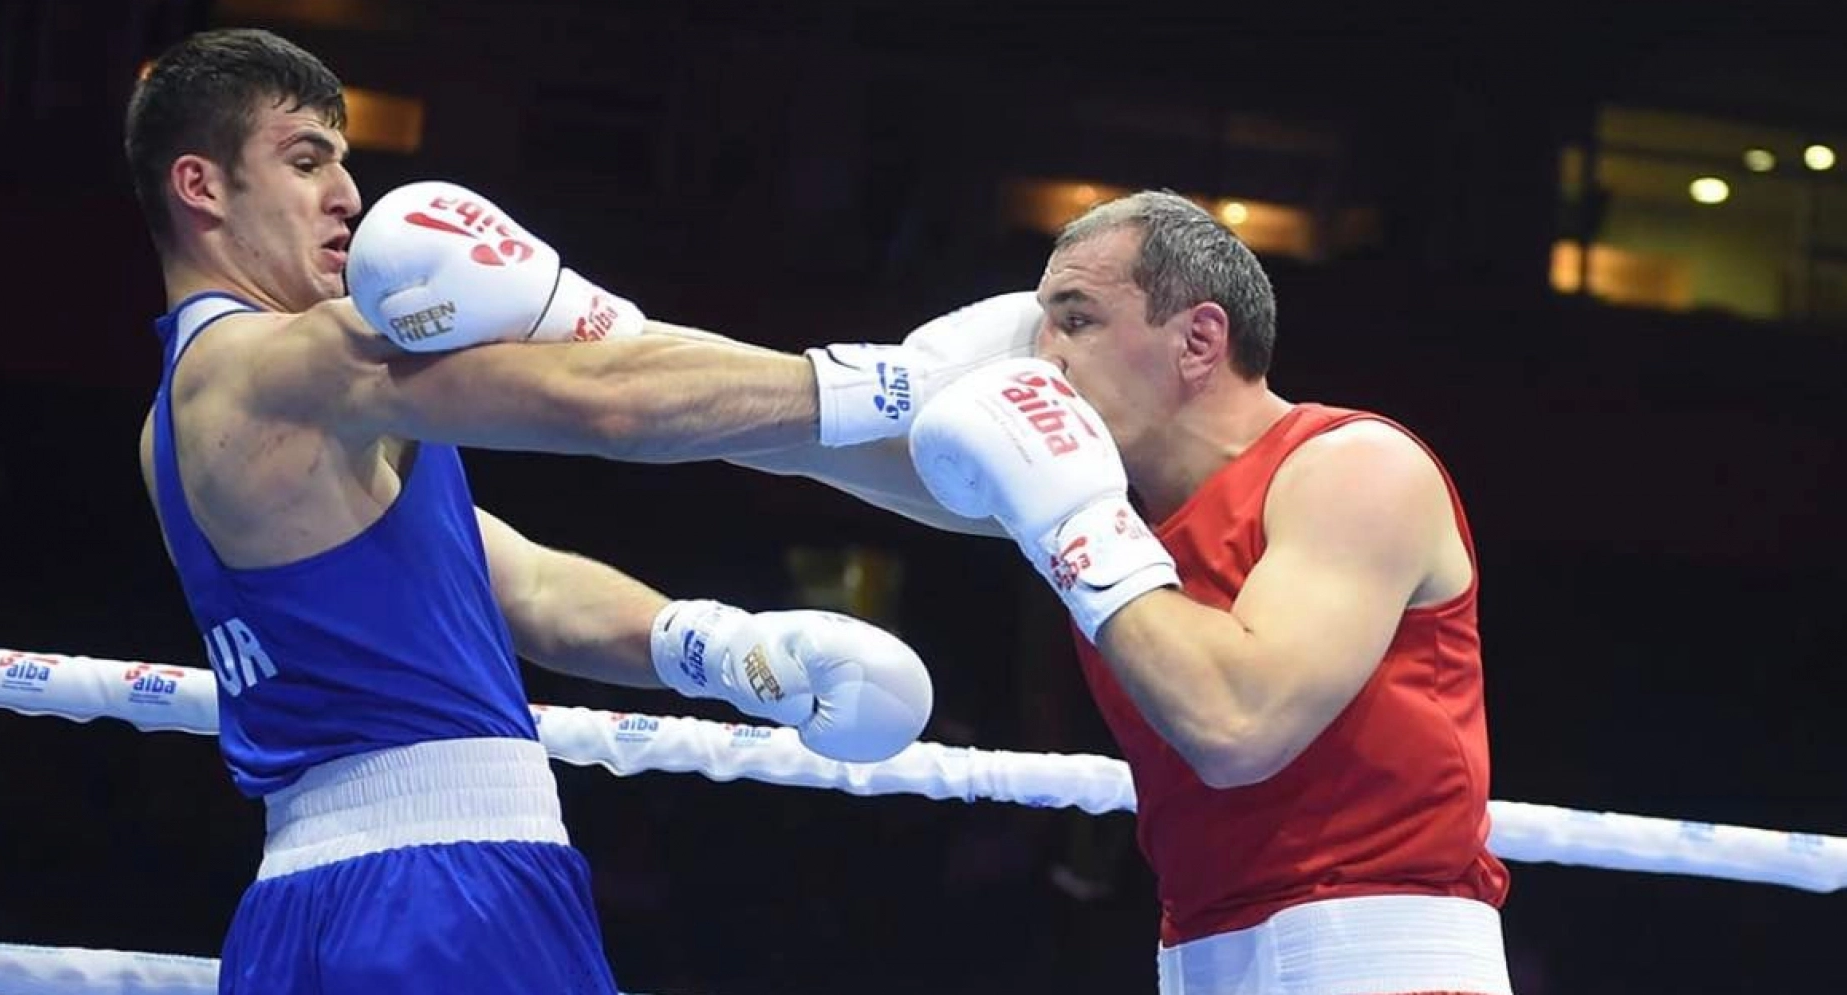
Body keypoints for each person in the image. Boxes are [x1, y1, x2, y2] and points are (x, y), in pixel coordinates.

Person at [124, 28, 946, 994]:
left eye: (342, 161)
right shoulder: (295, 360)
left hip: (301, 908)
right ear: (201, 186)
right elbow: (606, 403)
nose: (347, 194)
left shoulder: (182, 420)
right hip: (442, 894)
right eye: (305, 161)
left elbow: (524, 587)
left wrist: (722, 647)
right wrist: (895, 387)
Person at [750, 190, 1513, 994]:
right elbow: (801, 438)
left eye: (1077, 321)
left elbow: (1237, 725)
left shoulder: (1354, 467)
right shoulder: (1135, 524)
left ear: (1199, 340)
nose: (1043, 362)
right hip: (1200, 962)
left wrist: (1077, 519)